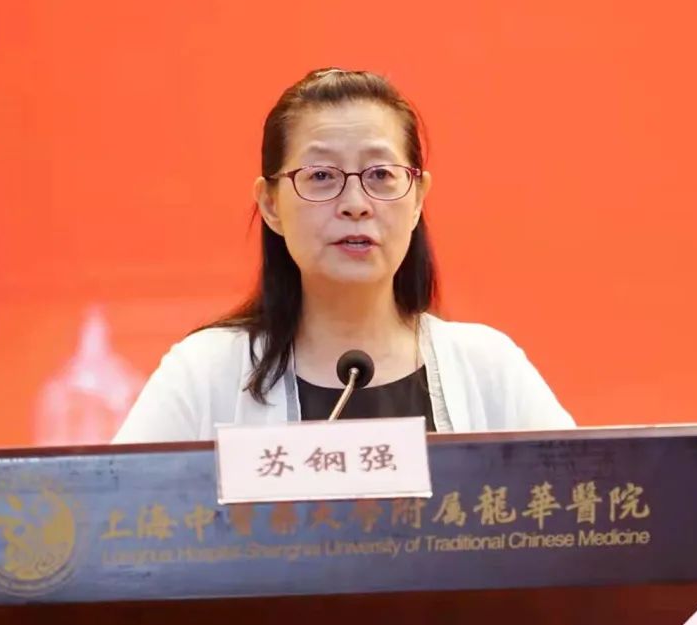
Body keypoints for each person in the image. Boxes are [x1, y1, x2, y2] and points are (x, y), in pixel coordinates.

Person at [113, 68, 574, 442]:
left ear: (417, 198)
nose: (355, 203)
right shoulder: (204, 373)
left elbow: (581, 511)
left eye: (380, 175)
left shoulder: (488, 368)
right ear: (270, 204)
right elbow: (117, 514)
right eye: (321, 176)